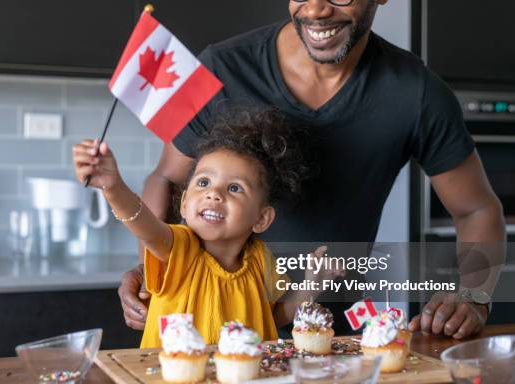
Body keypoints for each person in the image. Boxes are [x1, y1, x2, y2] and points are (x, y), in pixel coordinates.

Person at [119, 0, 506, 339]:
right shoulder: (222, 68)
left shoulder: (415, 93)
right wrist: (153, 267)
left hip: (333, 333)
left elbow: (477, 210)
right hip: (207, 328)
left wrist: (475, 297)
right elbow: (168, 179)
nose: (316, 8)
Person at [73, 109, 341, 346]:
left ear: (262, 218)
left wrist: (310, 288)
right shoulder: (178, 247)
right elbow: (144, 224)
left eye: (234, 188)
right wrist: (113, 186)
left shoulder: (261, 260)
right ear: (185, 202)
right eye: (203, 182)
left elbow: (272, 315)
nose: (214, 194)